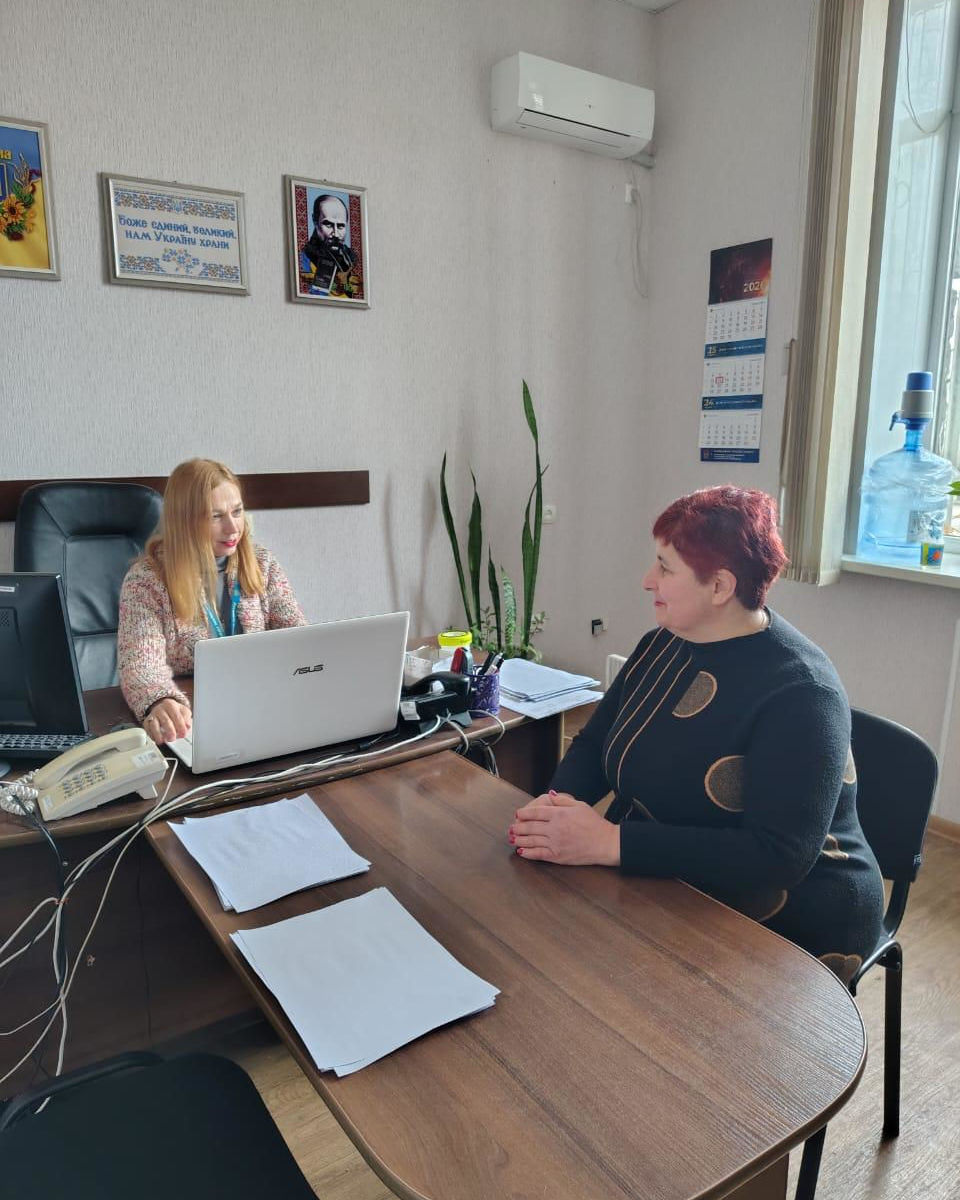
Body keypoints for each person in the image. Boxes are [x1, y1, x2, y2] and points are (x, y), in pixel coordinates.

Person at [508, 486, 884, 983]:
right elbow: (597, 743)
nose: (648, 580)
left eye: (666, 568)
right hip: (674, 870)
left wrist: (610, 843)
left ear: (720, 586)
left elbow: (778, 857)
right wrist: (555, 810)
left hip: (795, 912)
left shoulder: (801, 692)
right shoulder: (662, 645)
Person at [117, 458, 306, 745]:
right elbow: (140, 664)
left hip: (260, 707)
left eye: (237, 512)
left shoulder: (262, 563)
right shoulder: (146, 580)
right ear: (185, 520)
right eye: (216, 516)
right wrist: (160, 700)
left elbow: (298, 639)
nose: (232, 528)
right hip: (195, 718)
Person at [301, 193, 356, 295]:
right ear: (315, 221)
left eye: (340, 226)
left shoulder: (351, 258)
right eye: (328, 224)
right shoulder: (305, 259)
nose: (336, 234)